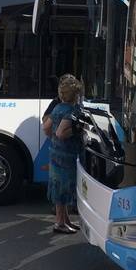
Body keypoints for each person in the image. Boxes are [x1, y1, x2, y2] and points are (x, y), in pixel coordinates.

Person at [42, 74, 82, 234]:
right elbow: (60, 132)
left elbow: (47, 128)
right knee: (64, 188)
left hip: (55, 152)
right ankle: (59, 223)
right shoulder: (72, 111)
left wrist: (54, 138)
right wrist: (78, 130)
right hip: (67, 155)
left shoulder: (57, 108)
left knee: (58, 187)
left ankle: (65, 220)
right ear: (76, 95)